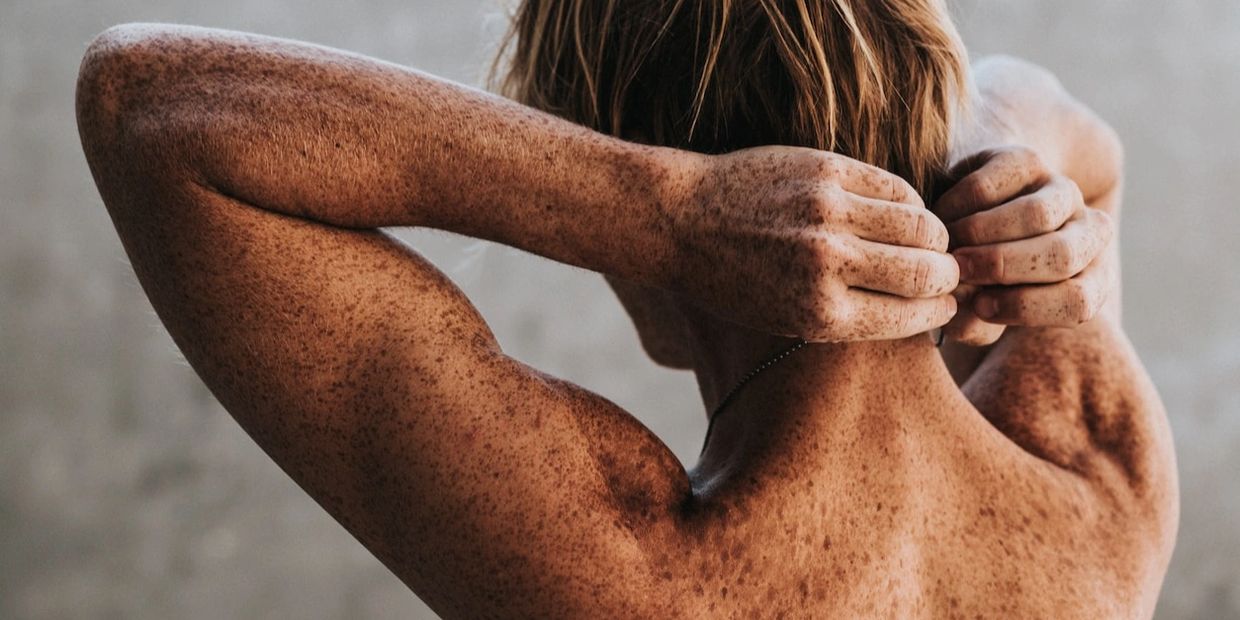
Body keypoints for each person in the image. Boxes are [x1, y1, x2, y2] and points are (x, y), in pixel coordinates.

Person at [74, 0, 1177, 616]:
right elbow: (1069, 131)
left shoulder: (621, 574)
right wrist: (993, 151)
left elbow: (147, 106)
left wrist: (658, 211)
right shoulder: (1100, 476)